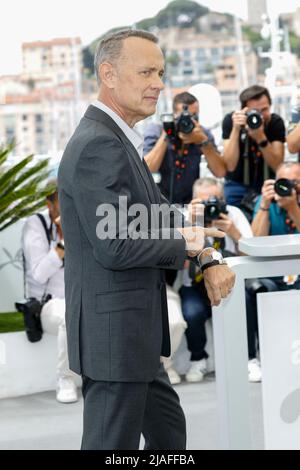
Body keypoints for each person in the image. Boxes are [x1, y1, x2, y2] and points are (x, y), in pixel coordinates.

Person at [58, 29, 235, 450]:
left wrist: (207, 254)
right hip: (115, 339)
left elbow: (160, 215)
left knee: (169, 438)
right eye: (146, 72)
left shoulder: (118, 140)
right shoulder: (99, 145)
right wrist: (195, 249)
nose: (158, 83)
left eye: (160, 71)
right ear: (109, 74)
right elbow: (115, 244)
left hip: (133, 336)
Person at [179, 178, 253, 382]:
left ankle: (249, 358)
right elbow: (179, 262)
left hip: (231, 280)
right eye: (205, 202)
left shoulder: (233, 214)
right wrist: (192, 224)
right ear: (194, 202)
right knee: (192, 312)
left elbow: (252, 252)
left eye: (215, 200)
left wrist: (233, 232)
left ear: (223, 199)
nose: (210, 206)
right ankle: (198, 359)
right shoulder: (184, 217)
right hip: (194, 284)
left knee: (244, 301)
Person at [22, 181, 78, 403]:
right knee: (69, 315)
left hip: (79, 297)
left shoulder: (81, 221)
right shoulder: (35, 226)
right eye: (61, 200)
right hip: (47, 304)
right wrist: (63, 244)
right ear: (50, 204)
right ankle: (65, 379)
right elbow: (38, 274)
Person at [247, 162, 300, 381]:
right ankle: (251, 358)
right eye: (283, 182)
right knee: (251, 292)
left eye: (294, 181)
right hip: (272, 275)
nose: (288, 186)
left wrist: (293, 207)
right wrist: (264, 205)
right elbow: (254, 241)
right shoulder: (266, 201)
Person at [143, 91, 226, 205]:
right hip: (160, 201)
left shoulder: (202, 133)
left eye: (194, 116)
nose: (189, 121)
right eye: (184, 116)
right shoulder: (157, 131)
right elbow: (148, 168)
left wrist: (203, 142)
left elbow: (220, 172)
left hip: (191, 202)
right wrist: (167, 133)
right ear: (174, 115)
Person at [222, 85, 285, 214]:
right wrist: (236, 129)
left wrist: (261, 138)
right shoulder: (231, 121)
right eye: (255, 111)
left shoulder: (274, 122)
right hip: (236, 184)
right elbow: (229, 165)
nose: (260, 116)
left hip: (267, 184)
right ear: (243, 110)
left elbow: (278, 165)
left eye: (265, 109)